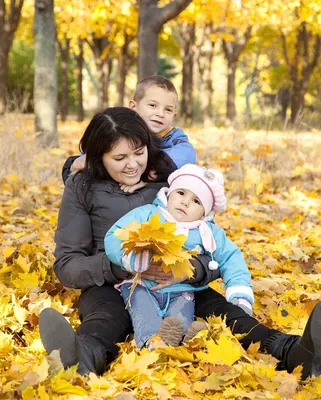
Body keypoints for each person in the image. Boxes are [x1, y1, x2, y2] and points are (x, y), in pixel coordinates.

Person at [39, 106, 321, 381]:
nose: (133, 164)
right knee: (106, 320)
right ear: (98, 158)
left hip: (181, 281)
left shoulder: (174, 182)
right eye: (120, 157)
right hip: (110, 283)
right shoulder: (82, 187)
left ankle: (296, 352)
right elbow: (67, 265)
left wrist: (190, 270)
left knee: (226, 313)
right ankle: (81, 357)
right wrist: (122, 268)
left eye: (139, 152)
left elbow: (211, 244)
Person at [105, 164, 254, 349]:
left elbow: (231, 258)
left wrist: (240, 296)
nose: (185, 202)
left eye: (196, 201)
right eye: (181, 193)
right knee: (144, 313)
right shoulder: (148, 214)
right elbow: (114, 235)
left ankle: (187, 340)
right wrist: (131, 259)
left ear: (205, 212)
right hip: (142, 285)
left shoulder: (207, 232)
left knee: (179, 318)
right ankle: (151, 343)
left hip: (181, 290)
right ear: (169, 193)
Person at [62, 75, 196, 185]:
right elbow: (88, 155)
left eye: (168, 109)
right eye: (152, 105)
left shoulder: (172, 137)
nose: (160, 113)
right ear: (133, 106)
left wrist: (152, 169)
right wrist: (73, 165)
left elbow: (187, 153)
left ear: (174, 116)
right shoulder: (120, 129)